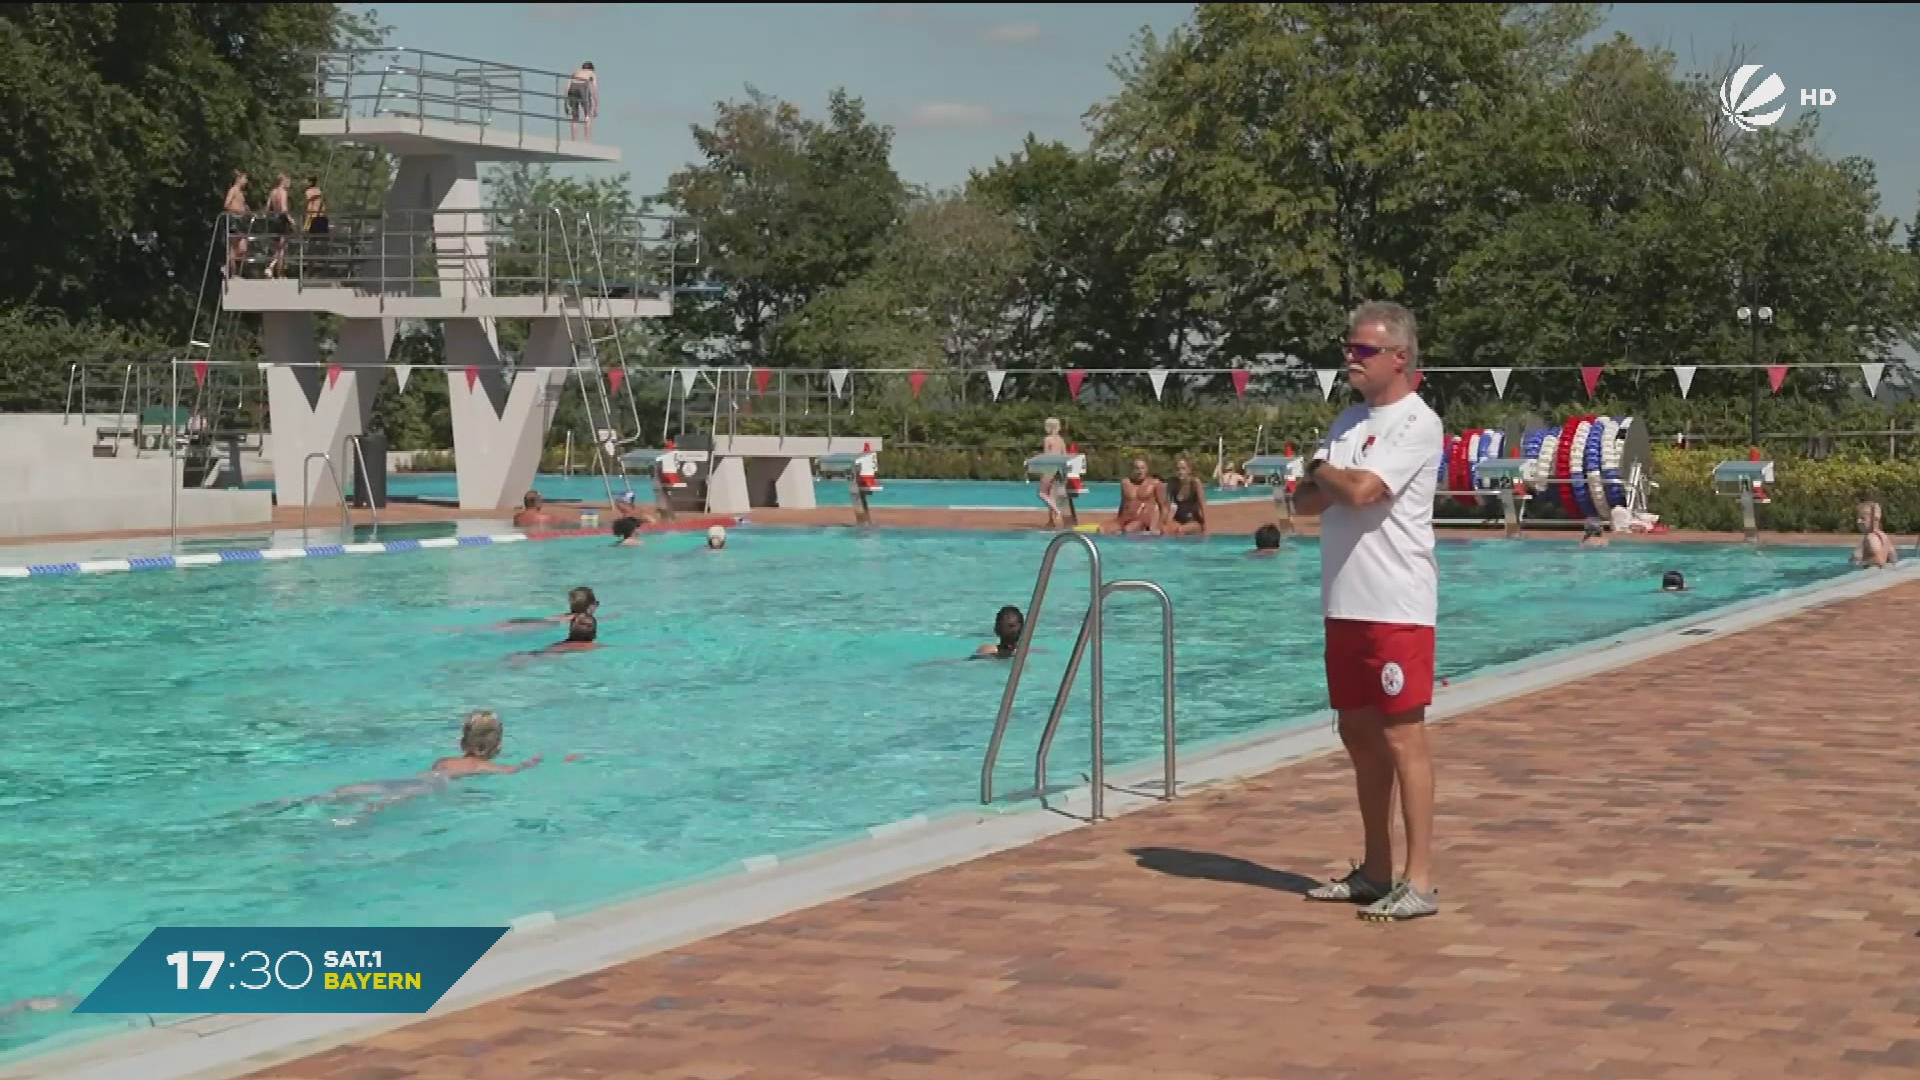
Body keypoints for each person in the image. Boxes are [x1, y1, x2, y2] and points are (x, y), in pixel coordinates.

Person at [1294, 300, 1446, 923]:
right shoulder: (1346, 424)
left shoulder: (1417, 422)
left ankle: (1420, 878)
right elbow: (1306, 504)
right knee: (1357, 734)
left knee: (1401, 736)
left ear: (1399, 358)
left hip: (1396, 605)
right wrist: (1326, 472)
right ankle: (1376, 870)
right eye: (1348, 349)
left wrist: (1320, 468)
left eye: (1361, 351)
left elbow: (1356, 491)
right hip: (1345, 603)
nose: (1349, 359)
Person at [433, 710, 543, 776]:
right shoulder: (488, 767)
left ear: (462, 743)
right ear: (498, 747)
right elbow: (514, 769)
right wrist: (528, 764)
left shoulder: (443, 762)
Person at [1104, 456, 1165, 534]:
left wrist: (1159, 526)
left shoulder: (1155, 483)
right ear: (1132, 469)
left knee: (1128, 529)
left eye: (1142, 468)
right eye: (1137, 468)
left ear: (1147, 469)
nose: (1140, 471)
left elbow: (1163, 507)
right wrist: (1118, 521)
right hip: (1125, 519)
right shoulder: (1125, 483)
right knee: (1102, 529)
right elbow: (1123, 504)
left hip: (1141, 521)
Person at [1166, 455, 1208, 535]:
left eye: (1183, 469)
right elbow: (1167, 506)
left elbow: (1202, 504)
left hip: (1193, 520)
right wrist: (1165, 522)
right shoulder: (1173, 483)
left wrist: (1205, 527)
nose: (1180, 472)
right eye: (1178, 469)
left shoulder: (1195, 483)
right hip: (1178, 519)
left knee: (1180, 530)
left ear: (1189, 470)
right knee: (1165, 531)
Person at [1038, 418, 1068, 528]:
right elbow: (1065, 455)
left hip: (1049, 467)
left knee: (1042, 493)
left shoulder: (1048, 439)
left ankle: (1057, 511)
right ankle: (1051, 521)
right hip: (1058, 468)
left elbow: (1046, 455)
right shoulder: (1061, 440)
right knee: (1052, 496)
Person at [1851, 500, 1898, 568]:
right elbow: (1894, 558)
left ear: (1875, 519)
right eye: (1858, 518)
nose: (1858, 521)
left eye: (1862, 518)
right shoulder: (1883, 537)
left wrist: (1861, 563)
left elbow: (1879, 561)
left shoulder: (1871, 538)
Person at [264, 174, 292, 279]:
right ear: (283, 181)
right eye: (287, 181)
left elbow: (267, 208)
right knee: (282, 248)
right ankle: (277, 272)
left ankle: (271, 268)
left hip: (273, 219)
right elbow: (284, 208)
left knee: (276, 247)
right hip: (281, 219)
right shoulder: (283, 192)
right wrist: (290, 220)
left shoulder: (273, 192)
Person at [223, 171, 250, 276]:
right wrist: (238, 210)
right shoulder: (233, 190)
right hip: (234, 219)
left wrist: (247, 210)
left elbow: (243, 205)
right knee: (234, 247)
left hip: (240, 220)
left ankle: (233, 269)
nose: (246, 181)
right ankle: (232, 272)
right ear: (239, 179)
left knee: (243, 248)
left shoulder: (240, 192)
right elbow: (226, 205)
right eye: (245, 179)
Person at [566, 61, 599, 140]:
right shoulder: (591, 73)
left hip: (572, 88)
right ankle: (587, 139)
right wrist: (595, 107)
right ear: (591, 69)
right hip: (582, 87)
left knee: (575, 117)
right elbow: (595, 89)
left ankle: (573, 139)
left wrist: (566, 99)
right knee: (587, 116)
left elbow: (567, 86)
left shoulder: (575, 71)